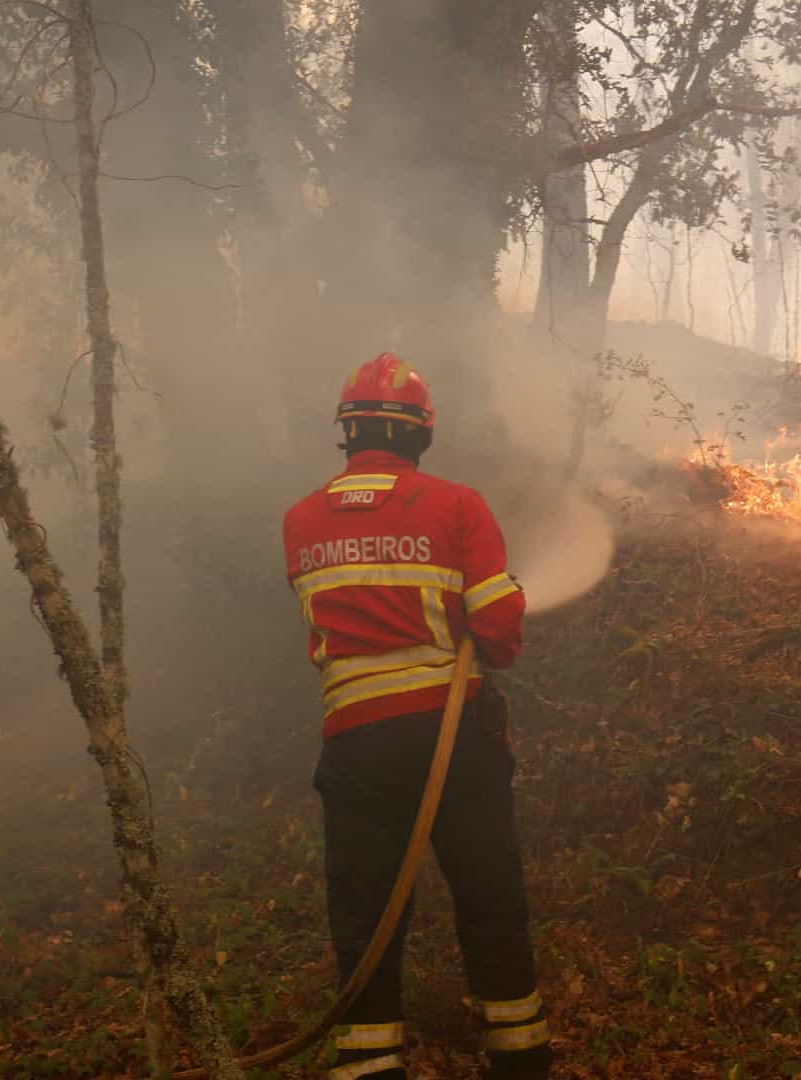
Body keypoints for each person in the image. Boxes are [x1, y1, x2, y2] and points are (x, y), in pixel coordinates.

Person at [282, 352, 552, 1080]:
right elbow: (496, 630)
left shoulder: (301, 520)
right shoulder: (457, 506)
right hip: (450, 739)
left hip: (355, 747)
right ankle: (521, 1059)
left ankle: (370, 1066)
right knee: (489, 897)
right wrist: (508, 600)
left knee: (366, 918)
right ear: (420, 435)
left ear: (347, 432)